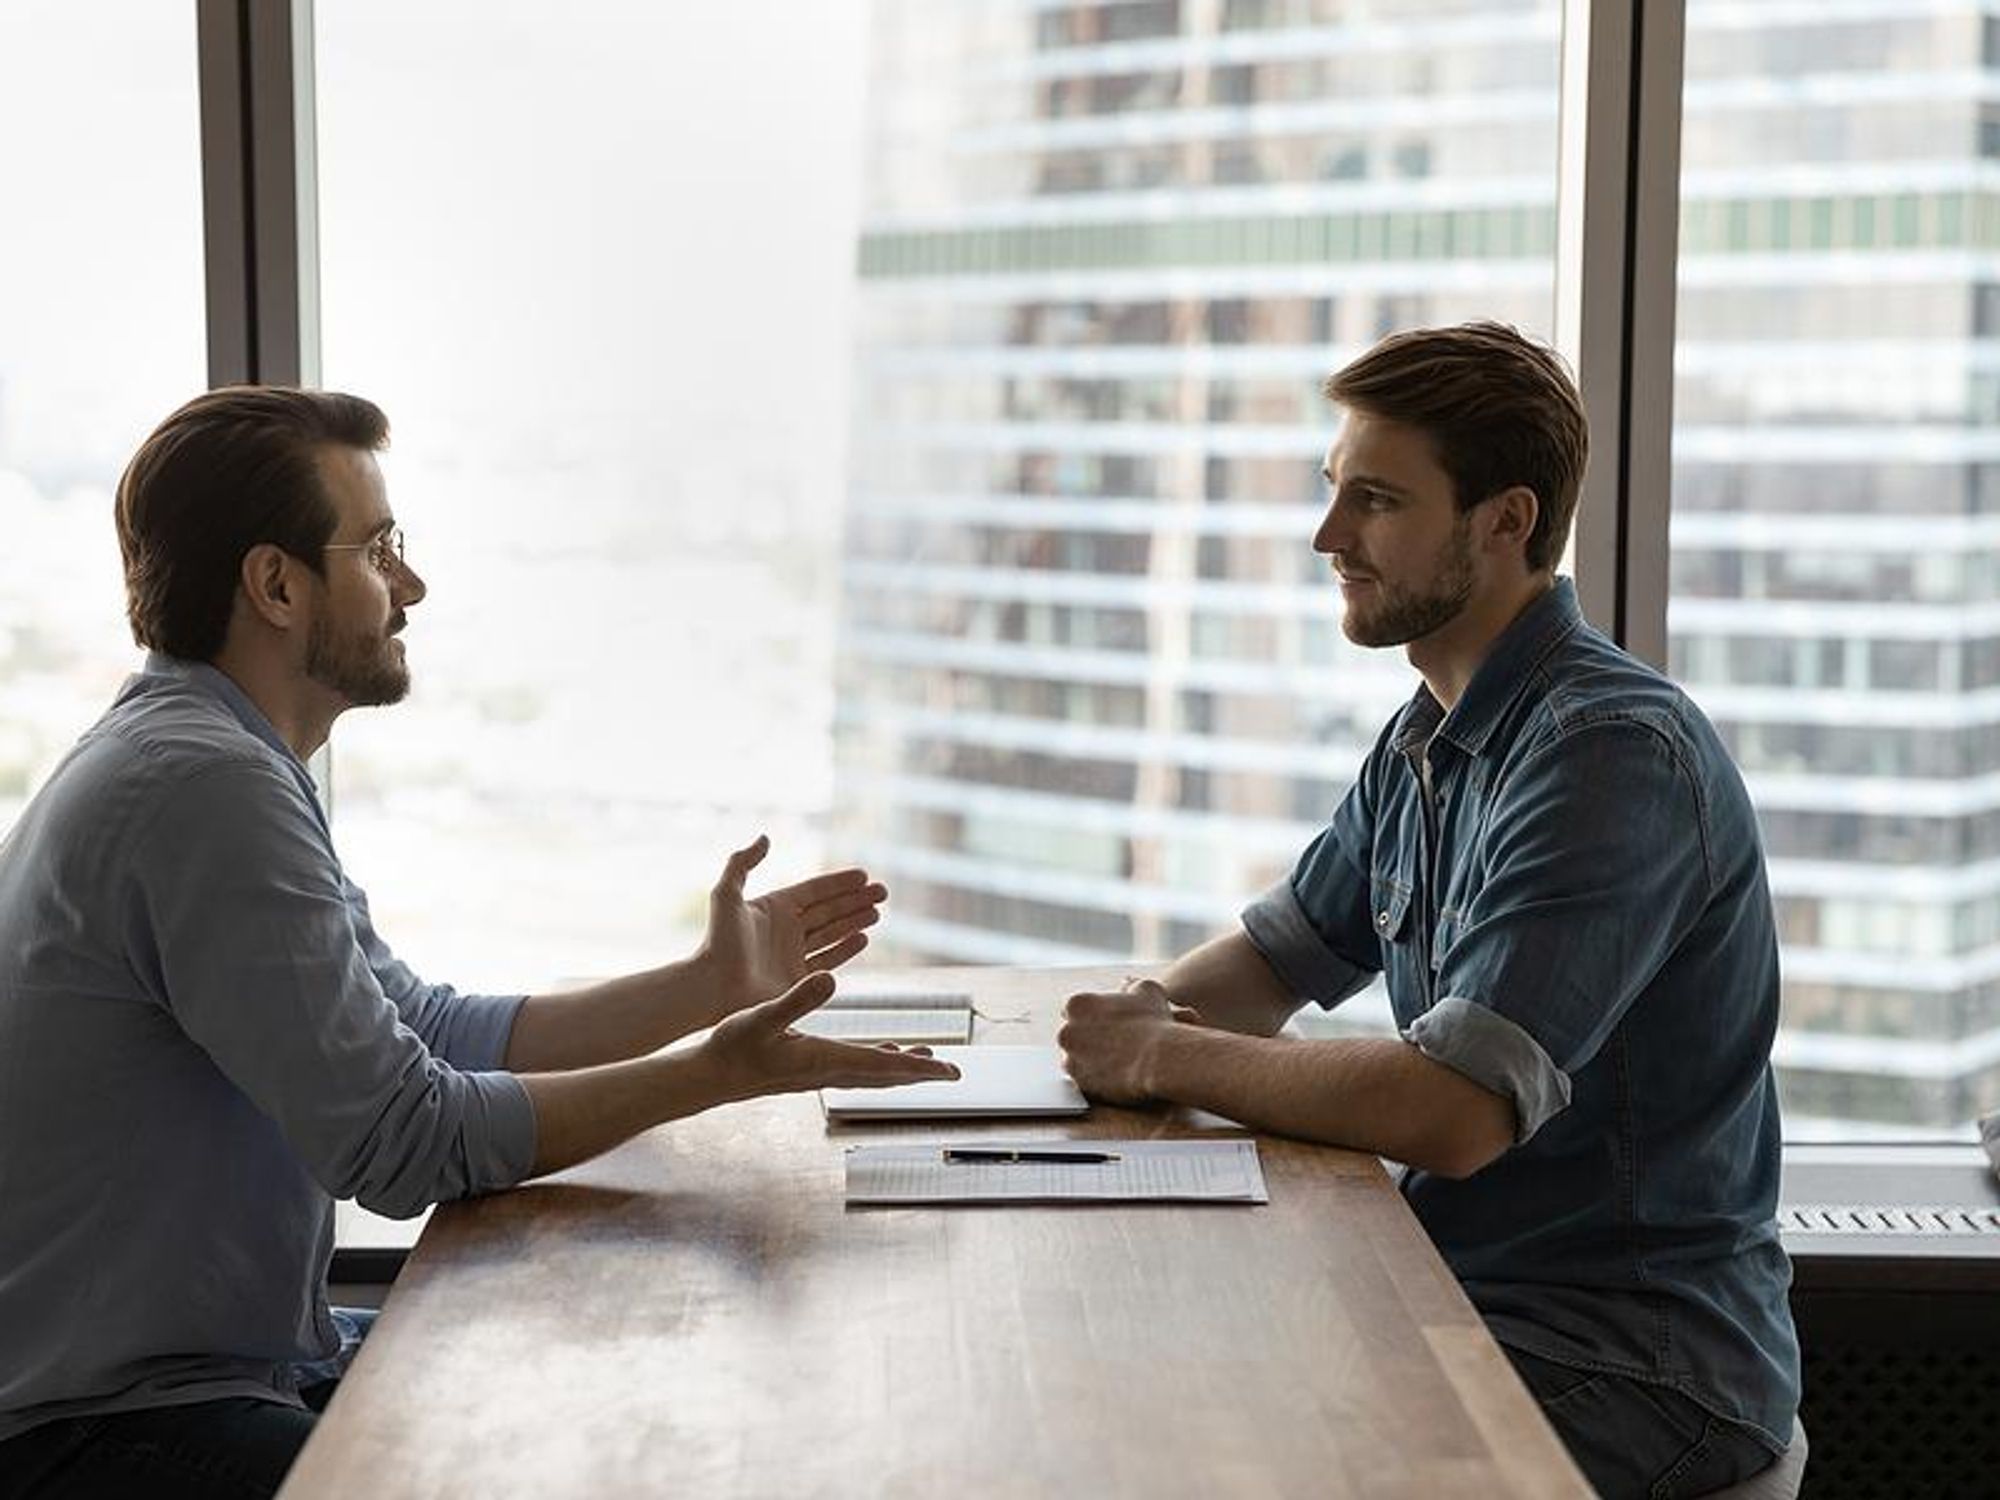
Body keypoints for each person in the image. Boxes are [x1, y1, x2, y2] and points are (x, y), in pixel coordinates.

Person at [0, 387, 956, 1499]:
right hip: (101, 1435)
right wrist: (711, 1074)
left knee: (586, 1394)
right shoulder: (202, 789)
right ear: (275, 584)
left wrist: (701, 988)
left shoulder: (212, 757)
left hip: (225, 1374)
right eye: (380, 547)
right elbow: (405, 1142)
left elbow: (433, 1031)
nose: (410, 585)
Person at [1057, 323, 1800, 1498]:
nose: (1327, 538)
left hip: (1631, 1366)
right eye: (1329, 494)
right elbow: (1270, 958)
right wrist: (1100, 1031)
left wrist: (1156, 1055)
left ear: (1503, 520)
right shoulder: (1428, 736)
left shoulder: (1606, 754)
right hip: (1463, 1296)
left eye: (1375, 502)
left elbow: (1454, 1112)